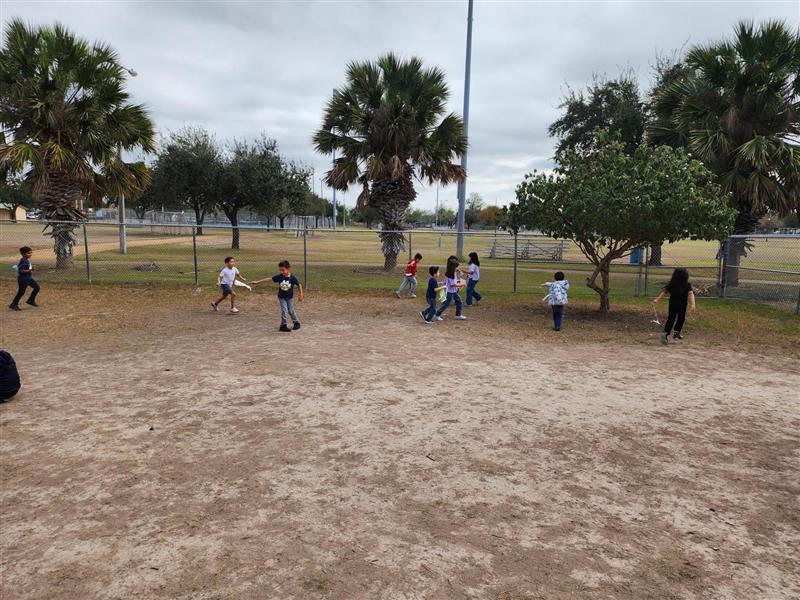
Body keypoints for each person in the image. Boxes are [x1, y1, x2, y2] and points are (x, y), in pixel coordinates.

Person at [253, 260, 304, 332]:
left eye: (283, 270)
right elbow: (269, 279)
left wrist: (301, 294)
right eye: (280, 270)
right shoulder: (279, 277)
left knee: (291, 310)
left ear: (288, 268)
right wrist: (257, 282)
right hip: (282, 297)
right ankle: (283, 325)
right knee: (284, 311)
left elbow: (299, 285)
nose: (282, 272)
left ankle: (296, 322)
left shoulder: (293, 278)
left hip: (290, 298)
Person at [653, 267, 695, 344]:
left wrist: (657, 299)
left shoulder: (672, 284)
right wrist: (693, 304)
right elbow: (691, 294)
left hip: (672, 304)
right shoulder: (687, 284)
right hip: (682, 305)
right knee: (681, 318)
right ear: (685, 276)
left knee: (671, 318)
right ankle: (676, 333)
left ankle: (665, 333)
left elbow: (665, 292)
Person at [9, 246, 40, 311]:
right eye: (28, 253)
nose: (30, 254)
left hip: (28, 278)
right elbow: (21, 271)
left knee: (37, 287)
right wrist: (31, 269)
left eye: (31, 253)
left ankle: (30, 300)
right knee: (21, 292)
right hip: (23, 279)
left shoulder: (25, 260)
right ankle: (13, 304)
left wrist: (30, 269)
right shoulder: (24, 261)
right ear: (23, 254)